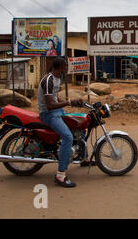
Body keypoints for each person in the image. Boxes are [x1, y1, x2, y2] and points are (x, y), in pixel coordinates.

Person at [38, 57, 84, 187]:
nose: (67, 68)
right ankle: (60, 175)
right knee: (68, 137)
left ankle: (83, 157)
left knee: (79, 125)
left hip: (57, 112)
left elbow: (55, 97)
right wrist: (69, 102)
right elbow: (50, 105)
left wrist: (71, 101)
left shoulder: (58, 78)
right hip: (48, 114)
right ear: (60, 67)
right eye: (66, 66)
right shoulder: (48, 80)